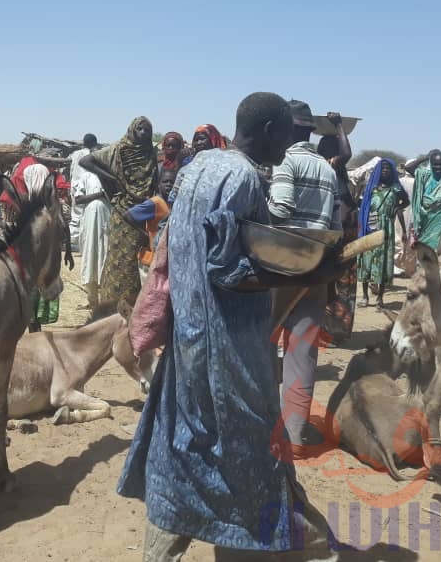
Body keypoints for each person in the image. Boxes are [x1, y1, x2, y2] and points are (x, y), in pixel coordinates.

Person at [117, 92, 336, 560]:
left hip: (190, 335)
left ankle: (162, 552)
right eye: (288, 134)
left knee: (187, 446)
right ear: (273, 129)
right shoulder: (244, 179)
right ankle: (308, 545)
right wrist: (307, 270)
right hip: (229, 347)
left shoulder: (200, 165)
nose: (290, 145)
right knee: (252, 448)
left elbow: (181, 243)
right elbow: (228, 270)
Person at [268, 99, 342, 458]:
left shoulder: (286, 161)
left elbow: (280, 211)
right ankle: (295, 436)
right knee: (302, 353)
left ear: (285, 130)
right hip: (317, 268)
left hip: (282, 267)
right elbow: (336, 225)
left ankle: (267, 428)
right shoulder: (326, 170)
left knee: (264, 347)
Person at [80, 116, 157, 319]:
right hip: (123, 215)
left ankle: (136, 310)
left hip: (144, 217)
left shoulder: (151, 154)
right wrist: (109, 177)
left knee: (139, 264)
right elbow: (85, 161)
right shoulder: (119, 150)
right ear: (132, 130)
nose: (143, 133)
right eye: (139, 129)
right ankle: (112, 310)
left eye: (146, 130)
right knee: (119, 263)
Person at [316, 113, 358, 344]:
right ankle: (332, 330)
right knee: (338, 282)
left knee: (340, 282)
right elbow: (347, 154)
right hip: (338, 234)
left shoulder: (337, 172)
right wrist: (339, 125)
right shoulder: (328, 166)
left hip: (343, 234)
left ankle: (335, 330)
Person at [21, 163, 74, 332]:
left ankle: (32, 327)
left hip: (32, 259)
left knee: (30, 293)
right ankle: (35, 328)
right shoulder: (52, 204)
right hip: (48, 258)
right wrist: (69, 253)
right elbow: (65, 228)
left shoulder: (25, 202)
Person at [356, 158, 409, 308]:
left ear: (392, 171)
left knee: (384, 260)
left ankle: (380, 298)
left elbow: (405, 202)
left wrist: (403, 227)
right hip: (370, 227)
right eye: (383, 168)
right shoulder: (370, 188)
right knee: (367, 259)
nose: (385, 170)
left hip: (387, 228)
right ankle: (365, 296)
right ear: (379, 170)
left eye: (388, 168)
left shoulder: (396, 189)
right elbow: (362, 205)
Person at [72, 136, 110, 311]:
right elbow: (78, 199)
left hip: (106, 219)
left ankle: (105, 300)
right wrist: (98, 196)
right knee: (90, 253)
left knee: (105, 252)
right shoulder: (86, 176)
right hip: (89, 218)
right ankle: (92, 299)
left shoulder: (110, 176)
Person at [127, 165, 176, 270]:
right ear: (158, 185)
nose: (169, 185)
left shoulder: (172, 203)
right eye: (165, 182)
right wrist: (145, 233)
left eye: (172, 182)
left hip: (165, 255)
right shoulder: (154, 203)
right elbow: (129, 215)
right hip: (152, 258)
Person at [68, 133, 99, 250]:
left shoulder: (75, 154)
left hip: (74, 186)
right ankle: (83, 241)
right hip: (87, 185)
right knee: (85, 214)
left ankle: (73, 240)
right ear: (94, 142)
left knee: (75, 214)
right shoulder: (92, 153)